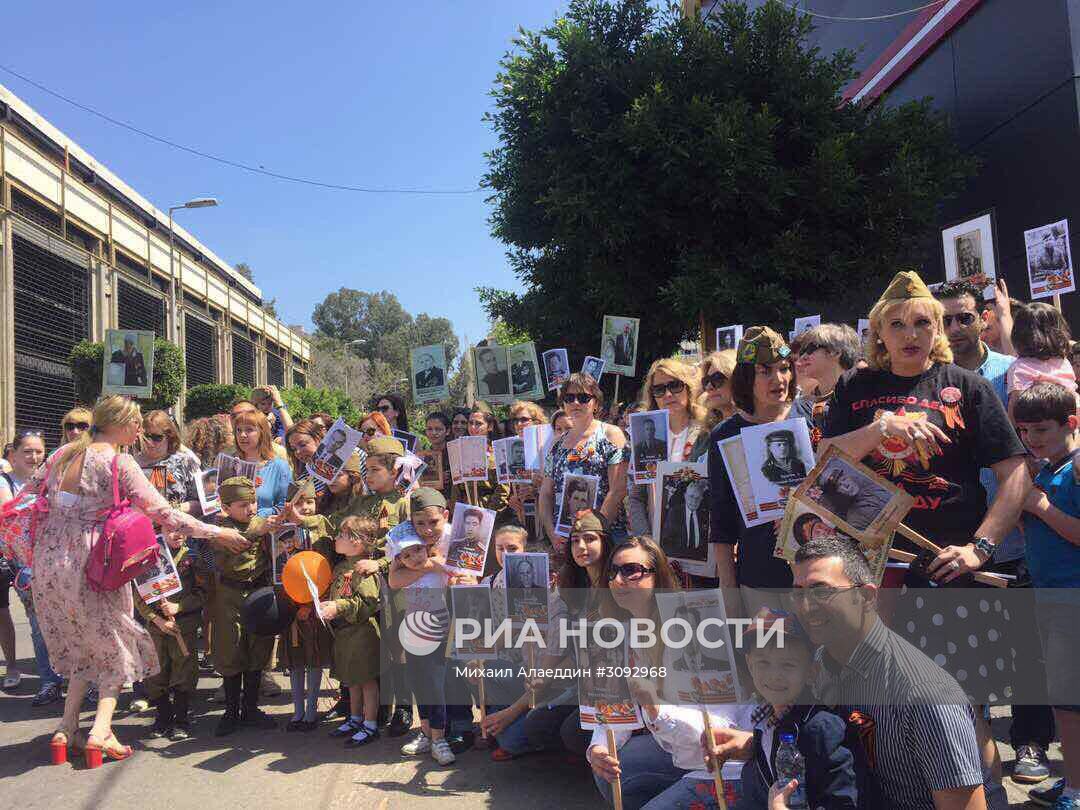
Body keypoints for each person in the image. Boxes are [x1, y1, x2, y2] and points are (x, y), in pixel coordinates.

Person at [29, 396, 245, 765]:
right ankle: (100, 732)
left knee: (84, 643)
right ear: (119, 424)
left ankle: (66, 728)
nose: (140, 431)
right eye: (136, 424)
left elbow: (30, 498)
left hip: (49, 563)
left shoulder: (61, 455)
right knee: (116, 642)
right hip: (92, 563)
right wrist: (216, 533)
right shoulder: (118, 460)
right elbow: (163, 512)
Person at [819, 270, 1028, 582]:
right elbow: (824, 460)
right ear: (878, 332)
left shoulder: (969, 387)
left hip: (948, 562)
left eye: (922, 323)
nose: (910, 335)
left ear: (938, 328)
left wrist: (979, 547)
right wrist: (882, 428)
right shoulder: (853, 385)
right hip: (869, 562)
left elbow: (1016, 475)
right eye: (897, 324)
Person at [768, 537, 985, 809]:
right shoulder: (822, 662)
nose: (806, 605)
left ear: (867, 597)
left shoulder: (925, 694)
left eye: (821, 591)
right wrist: (748, 746)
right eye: (798, 592)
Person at [586, 536, 696, 809]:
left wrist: (656, 709)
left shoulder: (689, 624)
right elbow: (612, 705)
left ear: (657, 576)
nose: (618, 580)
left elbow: (711, 726)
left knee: (627, 768)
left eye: (631, 570)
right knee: (607, 769)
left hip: (704, 751)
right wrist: (597, 748)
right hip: (660, 739)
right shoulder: (617, 631)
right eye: (613, 571)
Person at [708, 326, 811, 615]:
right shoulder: (724, 435)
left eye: (784, 368)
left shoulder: (811, 416)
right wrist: (729, 589)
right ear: (746, 379)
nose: (778, 379)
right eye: (765, 371)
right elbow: (721, 518)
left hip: (814, 572)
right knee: (769, 655)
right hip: (759, 578)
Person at [1014, 383, 1080, 810]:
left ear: (1071, 423)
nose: (1031, 439)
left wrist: (1040, 507)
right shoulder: (1047, 468)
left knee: (1071, 703)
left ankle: (1075, 789)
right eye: (1024, 431)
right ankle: (1071, 777)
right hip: (1049, 597)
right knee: (1063, 700)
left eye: (1041, 430)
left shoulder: (1075, 469)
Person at [735, 607, 858, 810]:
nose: (775, 675)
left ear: (811, 672)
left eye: (788, 665)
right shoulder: (764, 721)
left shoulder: (822, 728)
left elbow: (844, 803)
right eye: (763, 662)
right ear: (749, 665)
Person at [209, 476, 277, 737]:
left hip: (258, 591)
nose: (250, 509)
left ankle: (250, 708)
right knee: (231, 650)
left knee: (257, 648)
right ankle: (230, 711)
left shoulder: (260, 522)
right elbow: (235, 542)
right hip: (230, 594)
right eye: (242, 504)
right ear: (226, 507)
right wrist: (257, 532)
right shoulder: (220, 528)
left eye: (253, 502)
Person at [387, 520, 457, 766]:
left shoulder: (438, 561)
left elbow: (442, 567)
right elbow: (393, 581)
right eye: (405, 555)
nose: (414, 557)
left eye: (417, 549)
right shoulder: (410, 568)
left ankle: (439, 737)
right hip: (412, 626)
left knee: (435, 682)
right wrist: (420, 567)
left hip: (437, 625)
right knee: (417, 680)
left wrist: (424, 565)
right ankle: (426, 732)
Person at [541, 374, 628, 565]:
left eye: (583, 397)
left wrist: (593, 533)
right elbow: (546, 493)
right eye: (569, 398)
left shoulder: (611, 434)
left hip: (606, 538)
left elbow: (618, 490)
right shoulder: (556, 444)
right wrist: (552, 533)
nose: (575, 402)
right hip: (567, 540)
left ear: (596, 403)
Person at [627, 358, 710, 539]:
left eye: (675, 385)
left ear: (688, 388)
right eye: (659, 389)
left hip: (698, 536)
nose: (668, 394)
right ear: (652, 396)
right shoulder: (642, 440)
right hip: (656, 540)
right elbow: (636, 497)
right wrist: (646, 540)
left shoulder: (707, 431)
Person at [320, 515, 383, 746]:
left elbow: (367, 602)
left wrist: (338, 607)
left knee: (366, 680)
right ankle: (355, 718)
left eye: (341, 535)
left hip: (362, 632)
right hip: (345, 633)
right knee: (351, 680)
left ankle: (371, 724)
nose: (336, 538)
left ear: (356, 542)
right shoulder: (340, 566)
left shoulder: (363, 569)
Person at [135, 532, 203, 741]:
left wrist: (179, 606)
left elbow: (204, 593)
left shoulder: (192, 558)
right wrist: (156, 619)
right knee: (156, 672)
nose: (177, 533)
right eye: (170, 528)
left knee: (184, 672)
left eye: (181, 528)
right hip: (157, 627)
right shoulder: (148, 555)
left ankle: (181, 720)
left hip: (184, 625)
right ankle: (163, 717)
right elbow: (138, 595)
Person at [1005, 301, 1077, 412]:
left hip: (1038, 424)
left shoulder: (1019, 367)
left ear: (1017, 334)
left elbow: (1015, 406)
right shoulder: (1064, 362)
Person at [135, 410, 200, 512]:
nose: (150, 442)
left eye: (157, 437)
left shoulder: (185, 461)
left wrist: (173, 509)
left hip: (178, 523)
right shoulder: (132, 463)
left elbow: (201, 502)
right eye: (146, 436)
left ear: (169, 437)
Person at [232, 411, 292, 516]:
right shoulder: (230, 464)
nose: (242, 435)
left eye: (249, 430)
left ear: (262, 433)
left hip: (265, 528)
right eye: (238, 430)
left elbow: (285, 506)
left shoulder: (279, 467)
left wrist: (257, 516)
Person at [661, 478, 709, 554]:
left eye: (697, 498)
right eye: (691, 497)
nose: (694, 501)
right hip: (676, 558)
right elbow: (667, 543)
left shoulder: (705, 515)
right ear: (685, 496)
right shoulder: (674, 513)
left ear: (701, 499)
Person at [700, 349, 737, 428]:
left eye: (717, 379)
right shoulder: (706, 433)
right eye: (706, 381)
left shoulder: (758, 426)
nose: (708, 387)